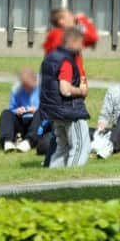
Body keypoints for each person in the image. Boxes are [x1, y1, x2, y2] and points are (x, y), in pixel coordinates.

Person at [40, 27, 91, 168]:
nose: (82, 47)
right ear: (73, 42)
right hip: (70, 112)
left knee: (62, 149)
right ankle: (72, 179)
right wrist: (81, 91)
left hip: (56, 113)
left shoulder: (51, 57)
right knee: (81, 146)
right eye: (81, 43)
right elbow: (65, 89)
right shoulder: (67, 61)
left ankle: (54, 176)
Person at [0, 68, 43, 153]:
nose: (26, 89)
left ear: (35, 80)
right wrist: (17, 111)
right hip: (22, 119)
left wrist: (36, 109)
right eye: (24, 86)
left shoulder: (44, 87)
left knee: (41, 113)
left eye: (28, 86)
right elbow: (12, 108)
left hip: (37, 121)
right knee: (6, 113)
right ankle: (7, 141)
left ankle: (29, 142)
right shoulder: (17, 88)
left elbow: (50, 108)